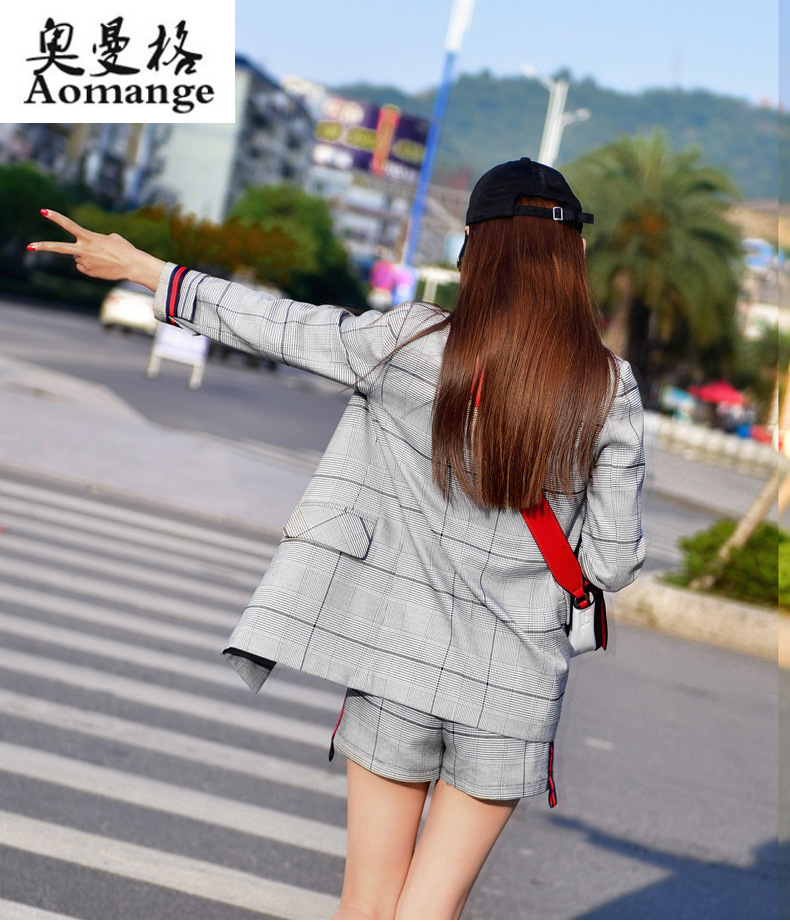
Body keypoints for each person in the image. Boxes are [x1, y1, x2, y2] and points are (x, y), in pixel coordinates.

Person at [29, 157, 645, 920]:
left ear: (474, 250)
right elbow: (611, 562)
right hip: (513, 683)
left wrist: (145, 269)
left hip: (394, 663)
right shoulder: (608, 388)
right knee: (431, 908)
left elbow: (281, 325)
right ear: (573, 254)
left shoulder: (409, 341)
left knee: (368, 900)